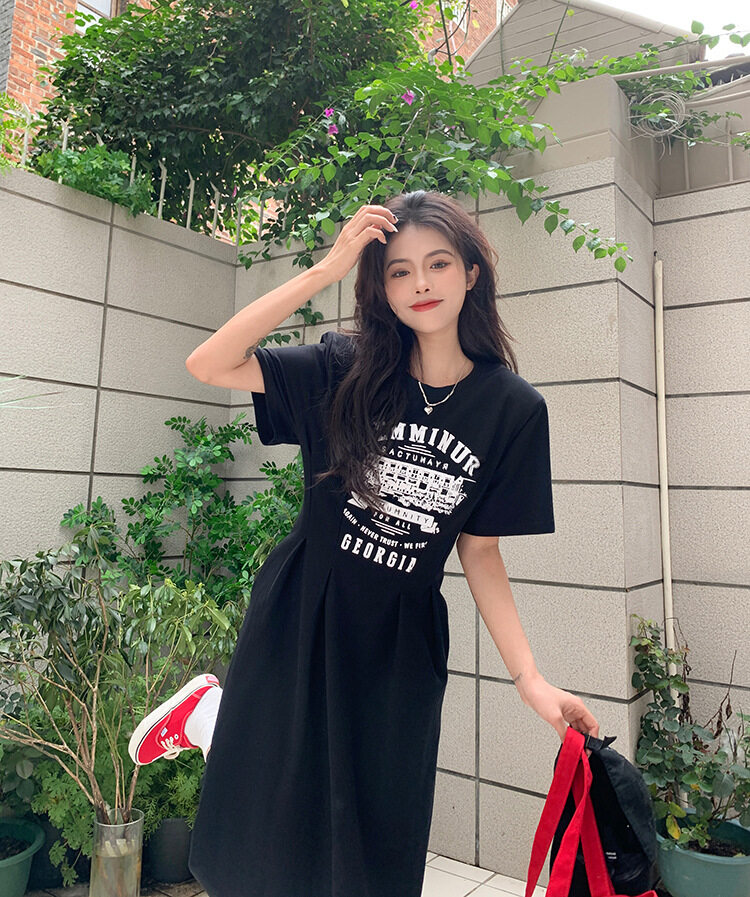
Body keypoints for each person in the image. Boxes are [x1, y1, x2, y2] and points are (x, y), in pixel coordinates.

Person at [128, 190, 600, 897]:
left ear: (472, 272)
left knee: (378, 837)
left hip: (401, 635)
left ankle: (217, 716)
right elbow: (209, 363)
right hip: (305, 605)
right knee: (270, 838)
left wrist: (530, 678)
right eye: (399, 271)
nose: (420, 284)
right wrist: (325, 270)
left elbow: (479, 550)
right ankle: (218, 716)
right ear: (380, 286)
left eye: (439, 263)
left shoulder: (513, 409)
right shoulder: (344, 366)